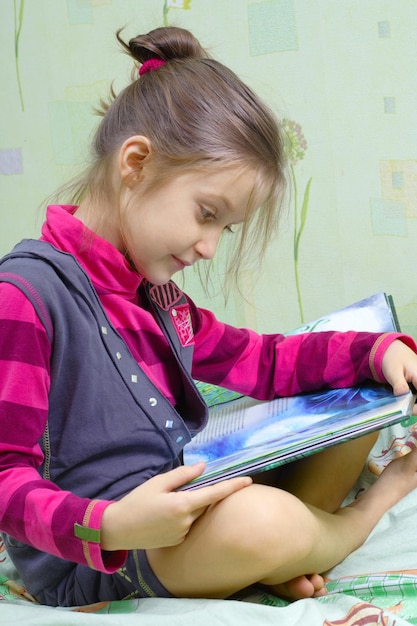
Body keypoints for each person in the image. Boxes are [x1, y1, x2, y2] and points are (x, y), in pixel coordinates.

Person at [1, 25, 417, 608]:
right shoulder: (25, 297)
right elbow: (4, 478)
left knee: (361, 395)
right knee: (262, 523)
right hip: (99, 556)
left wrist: (375, 352)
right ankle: (359, 517)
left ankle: (278, 554)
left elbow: (266, 361)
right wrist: (113, 526)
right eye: (206, 214)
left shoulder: (159, 299)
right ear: (136, 163)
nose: (208, 248)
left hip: (179, 511)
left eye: (224, 228)